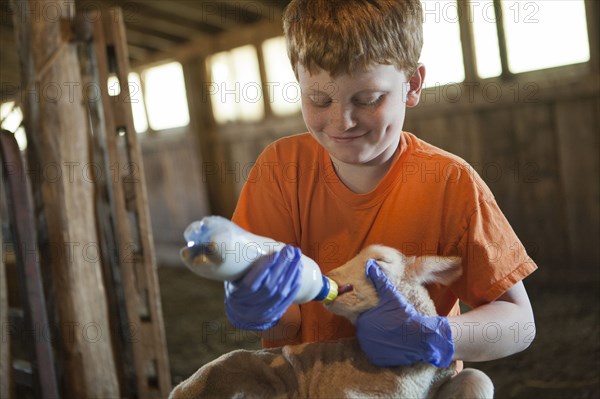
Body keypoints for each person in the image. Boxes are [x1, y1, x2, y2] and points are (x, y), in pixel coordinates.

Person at [225, 0, 536, 374]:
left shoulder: (450, 183)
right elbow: (287, 325)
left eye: (368, 99)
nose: (342, 121)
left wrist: (429, 334)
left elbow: (519, 323)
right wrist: (255, 304)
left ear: (413, 85)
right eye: (318, 99)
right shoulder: (280, 170)